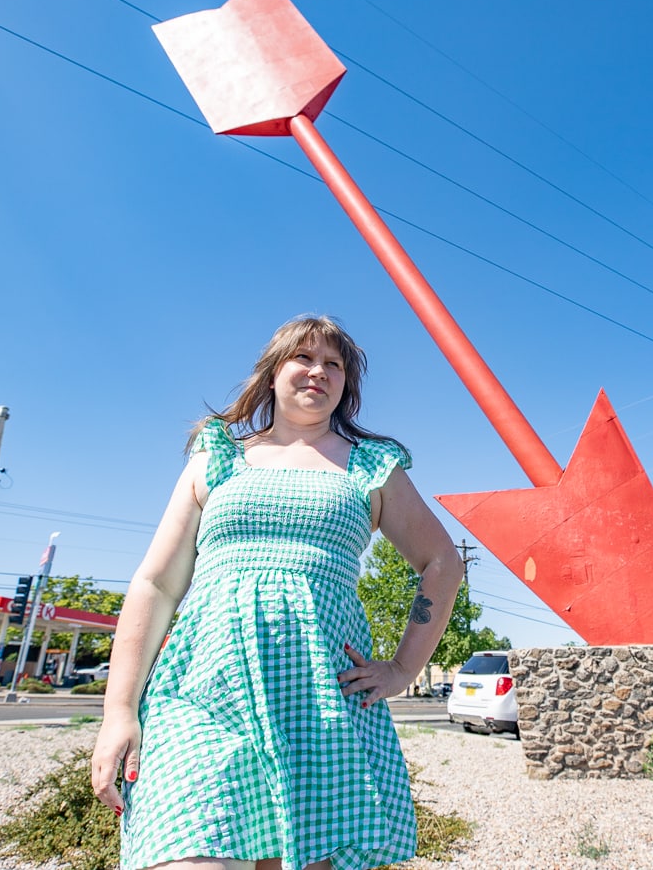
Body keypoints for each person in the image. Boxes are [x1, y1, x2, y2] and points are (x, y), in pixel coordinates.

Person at [91, 315, 464, 870]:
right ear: (272, 373)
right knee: (189, 853)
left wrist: (403, 669)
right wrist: (118, 710)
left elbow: (442, 563)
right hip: (201, 690)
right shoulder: (216, 457)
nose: (319, 372)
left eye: (333, 364)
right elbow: (155, 583)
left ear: (346, 385)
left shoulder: (370, 467)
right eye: (304, 358)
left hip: (319, 701)